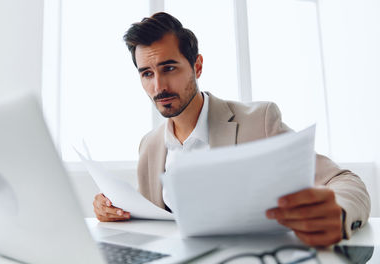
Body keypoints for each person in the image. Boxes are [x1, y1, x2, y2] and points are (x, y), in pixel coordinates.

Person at [93, 12, 370, 246]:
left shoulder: (257, 122)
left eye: (169, 68)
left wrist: (340, 212)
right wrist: (112, 210)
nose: (158, 87)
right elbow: (151, 219)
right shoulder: (149, 146)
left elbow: (347, 182)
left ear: (197, 66)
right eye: (147, 73)